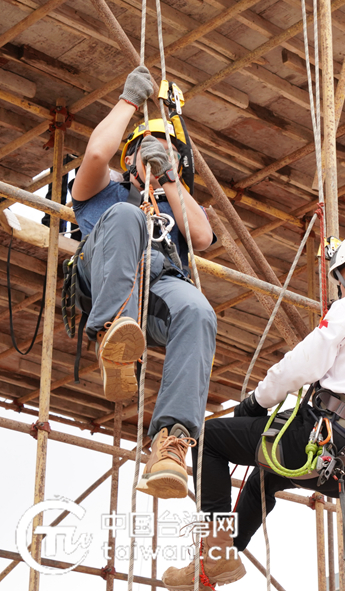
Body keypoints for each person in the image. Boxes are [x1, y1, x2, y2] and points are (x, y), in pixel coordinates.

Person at [162, 228, 345, 590]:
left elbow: (299, 367)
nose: (340, 288)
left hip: (323, 443)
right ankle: (217, 564)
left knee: (209, 438)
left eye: (341, 278)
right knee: (266, 475)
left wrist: (255, 402)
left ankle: (214, 552)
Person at [70, 65, 216, 500]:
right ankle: (112, 336)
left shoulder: (177, 203)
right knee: (129, 215)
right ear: (128, 157)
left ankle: (170, 444)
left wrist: (170, 178)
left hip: (157, 287)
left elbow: (203, 237)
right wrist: (129, 101)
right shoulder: (106, 192)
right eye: (144, 152)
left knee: (198, 311)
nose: (153, 158)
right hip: (106, 275)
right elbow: (96, 155)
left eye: (165, 153)